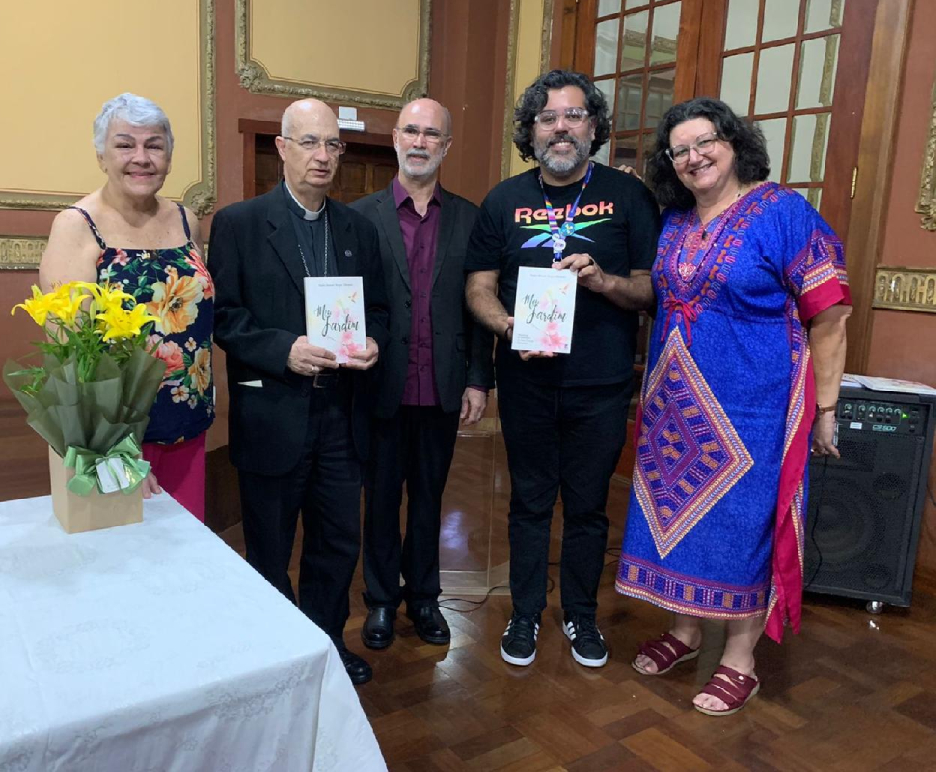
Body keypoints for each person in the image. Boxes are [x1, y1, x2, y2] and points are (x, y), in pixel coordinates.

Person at [616, 97, 851, 716]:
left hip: (755, 406)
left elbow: (829, 314)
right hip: (674, 406)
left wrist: (825, 407)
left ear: (734, 142)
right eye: (680, 150)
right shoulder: (673, 222)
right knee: (676, 516)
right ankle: (687, 630)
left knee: (742, 527)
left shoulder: (783, 213)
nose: (695, 157)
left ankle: (739, 659)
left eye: (706, 142)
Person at [465, 70, 660, 668]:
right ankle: (525, 611)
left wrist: (603, 281)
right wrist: (509, 328)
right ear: (532, 129)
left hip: (600, 385)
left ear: (593, 126)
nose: (560, 126)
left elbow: (651, 290)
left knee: (588, 506)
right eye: (547, 117)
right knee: (527, 502)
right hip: (526, 381)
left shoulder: (629, 198)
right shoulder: (503, 199)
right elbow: (478, 287)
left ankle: (580, 615)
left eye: (573, 115)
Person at [208, 99, 389, 686]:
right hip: (275, 410)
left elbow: (380, 312)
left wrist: (374, 343)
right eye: (309, 142)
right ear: (281, 148)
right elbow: (225, 319)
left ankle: (326, 645)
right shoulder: (238, 224)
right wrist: (283, 349)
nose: (323, 156)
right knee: (269, 545)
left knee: (337, 542)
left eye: (333, 145)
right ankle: (274, 653)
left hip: (342, 412)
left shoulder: (359, 228)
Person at [350, 98, 493, 650]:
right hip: (378, 386)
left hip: (443, 386)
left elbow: (482, 306)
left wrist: (479, 379)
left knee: (431, 500)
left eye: (431, 134)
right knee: (381, 500)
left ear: (446, 146)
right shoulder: (359, 218)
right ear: (394, 140)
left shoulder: (469, 217)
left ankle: (425, 598)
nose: (419, 141)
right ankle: (382, 601)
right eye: (410, 130)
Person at [40, 93, 213, 522]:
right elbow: (69, 355)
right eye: (124, 145)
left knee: (187, 563)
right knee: (128, 567)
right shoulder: (77, 226)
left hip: (188, 427)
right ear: (101, 155)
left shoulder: (186, 219)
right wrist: (114, 452)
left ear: (169, 157)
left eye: (154, 145)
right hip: (116, 439)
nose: (141, 158)